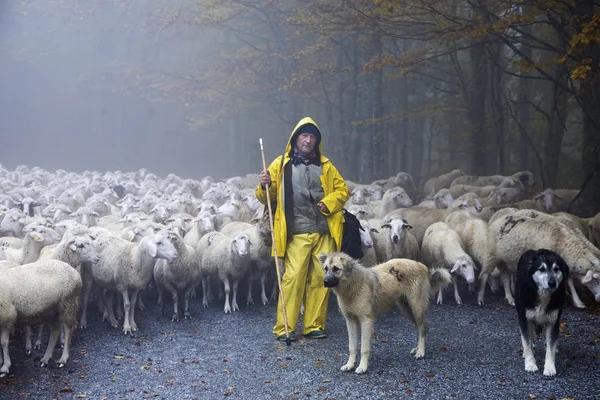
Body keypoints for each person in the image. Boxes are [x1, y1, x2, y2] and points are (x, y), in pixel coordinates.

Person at [256, 117, 349, 342]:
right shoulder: (280, 164)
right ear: (296, 138)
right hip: (296, 231)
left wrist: (329, 202)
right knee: (293, 278)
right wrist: (264, 185)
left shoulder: (326, 165)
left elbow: (342, 190)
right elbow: (265, 198)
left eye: (312, 137)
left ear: (317, 141)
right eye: (304, 136)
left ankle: (314, 325)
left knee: (320, 277)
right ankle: (284, 327)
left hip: (324, 230)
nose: (308, 140)